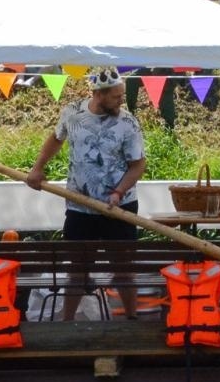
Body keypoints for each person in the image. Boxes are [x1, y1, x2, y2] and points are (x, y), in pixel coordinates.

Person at [25, 67, 147, 321]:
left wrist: (118, 192)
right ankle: (68, 322)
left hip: (120, 206)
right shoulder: (73, 112)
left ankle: (132, 320)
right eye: (115, 96)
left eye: (121, 95)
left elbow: (138, 165)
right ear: (98, 94)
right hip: (80, 208)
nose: (121, 100)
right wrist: (38, 168)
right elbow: (56, 139)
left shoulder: (127, 123)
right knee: (78, 269)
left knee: (123, 269)